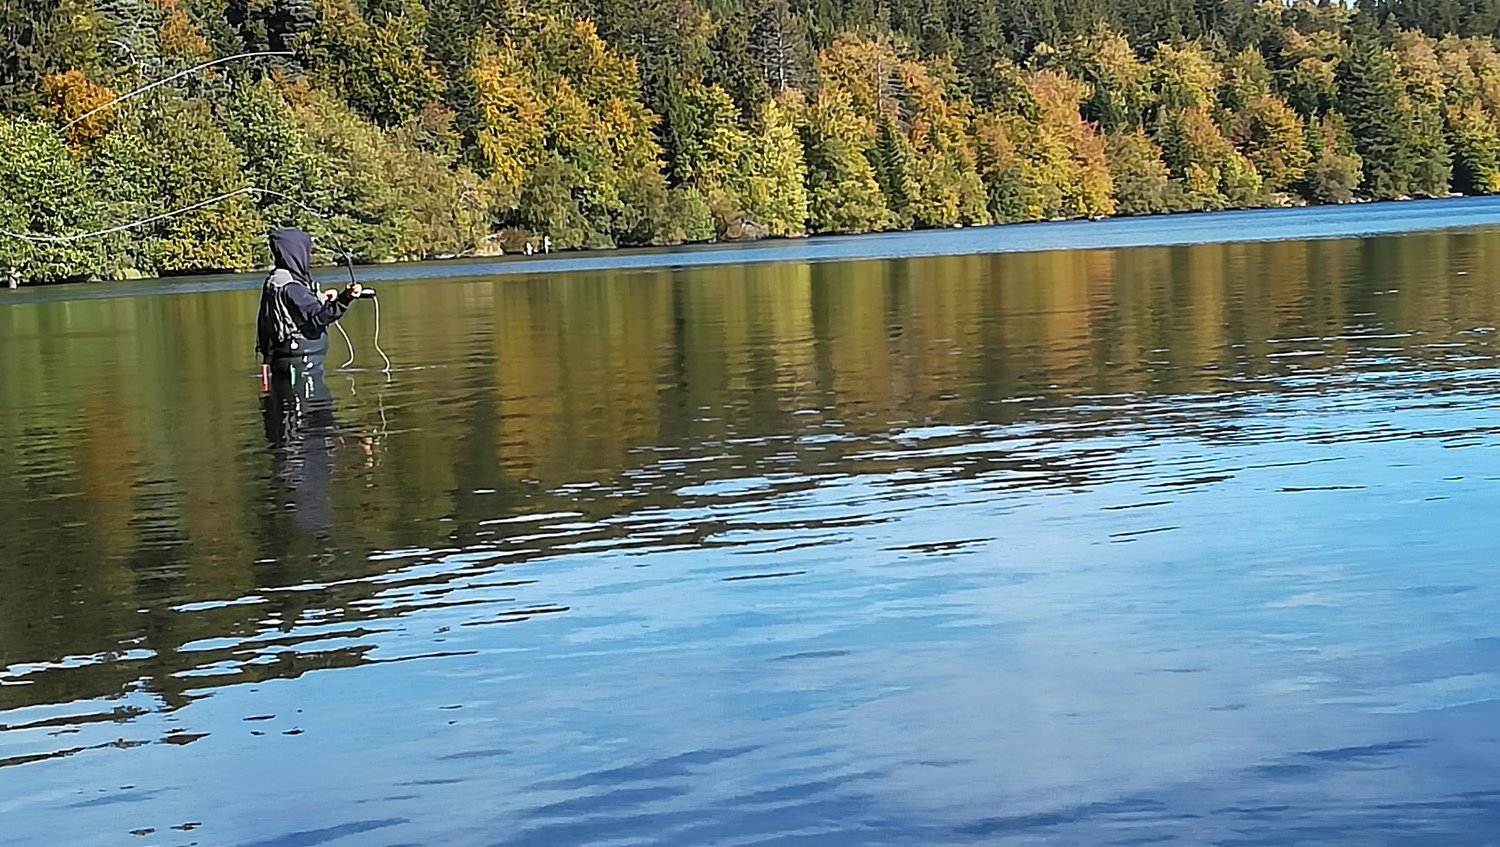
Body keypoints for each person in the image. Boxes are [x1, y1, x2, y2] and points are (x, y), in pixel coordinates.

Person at [255, 227, 362, 383]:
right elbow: (319, 317)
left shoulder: (278, 279)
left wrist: (323, 298)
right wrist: (345, 298)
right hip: (300, 365)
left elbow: (295, 309)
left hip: (286, 361)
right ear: (296, 251)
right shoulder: (291, 285)